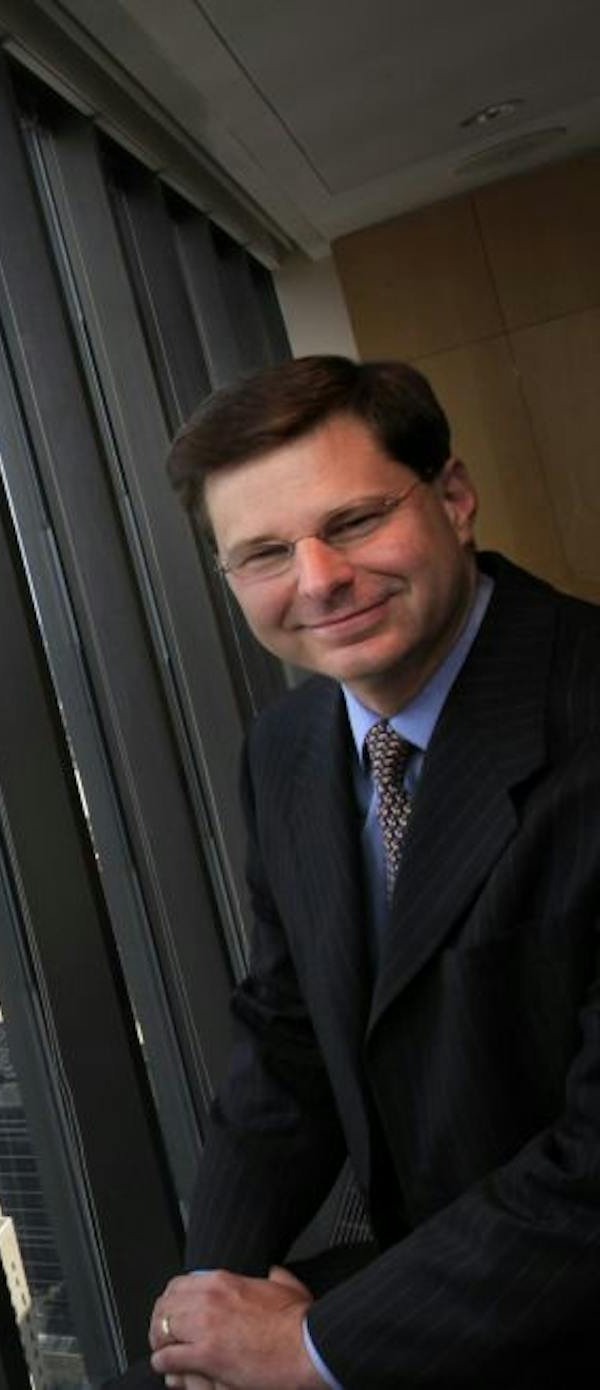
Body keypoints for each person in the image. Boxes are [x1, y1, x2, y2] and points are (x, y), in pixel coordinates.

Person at [118, 356, 600, 1389]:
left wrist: (308, 1348)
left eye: (351, 522)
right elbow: (285, 1039)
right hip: (424, 1289)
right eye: (262, 554)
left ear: (455, 499)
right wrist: (216, 1297)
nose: (318, 580)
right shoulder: (287, 751)